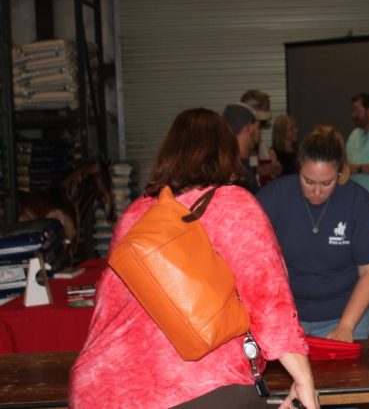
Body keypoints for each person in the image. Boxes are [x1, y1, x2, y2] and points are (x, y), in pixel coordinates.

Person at [69, 108, 318, 409]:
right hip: (201, 387)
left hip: (102, 387)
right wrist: (303, 381)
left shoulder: (135, 214)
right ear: (227, 153)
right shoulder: (234, 206)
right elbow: (268, 301)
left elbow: (109, 303)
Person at [257, 125, 369, 342]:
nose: (316, 192)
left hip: (345, 316)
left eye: (327, 183)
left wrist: (346, 326)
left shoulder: (358, 201)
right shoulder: (275, 197)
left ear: (339, 173)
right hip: (286, 319)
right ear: (298, 168)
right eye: (308, 181)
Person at [242, 89, 282, 185]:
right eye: (265, 109)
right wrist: (256, 170)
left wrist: (275, 169)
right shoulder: (241, 139)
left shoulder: (258, 140)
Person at [223, 102, 262, 193]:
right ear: (250, 128)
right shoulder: (238, 175)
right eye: (258, 126)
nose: (260, 132)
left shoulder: (228, 167)